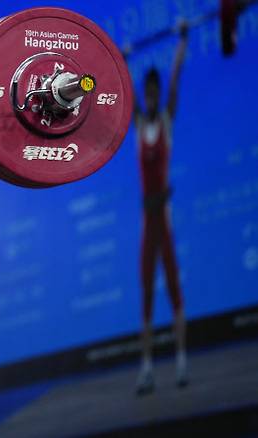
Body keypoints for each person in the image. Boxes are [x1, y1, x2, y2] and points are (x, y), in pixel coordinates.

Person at [134, 24, 188, 395]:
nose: (152, 97)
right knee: (148, 296)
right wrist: (118, 57)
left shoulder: (165, 120)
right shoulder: (138, 123)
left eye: (155, 93)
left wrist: (183, 39)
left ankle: (182, 362)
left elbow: (175, 78)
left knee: (172, 289)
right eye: (149, 93)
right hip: (147, 221)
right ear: (145, 95)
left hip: (163, 219)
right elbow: (118, 84)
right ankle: (148, 368)